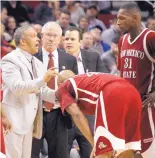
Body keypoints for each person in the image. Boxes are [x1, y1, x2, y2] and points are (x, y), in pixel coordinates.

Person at [56, 70, 142, 158]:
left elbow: (77, 115)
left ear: (59, 83)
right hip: (133, 92)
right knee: (127, 148)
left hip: (112, 93)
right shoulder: (87, 80)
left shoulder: (62, 87)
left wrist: (94, 144)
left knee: (103, 152)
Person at [1, 25, 58, 158]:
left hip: (30, 121)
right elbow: (17, 87)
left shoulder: (37, 63)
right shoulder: (10, 59)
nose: (38, 39)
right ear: (23, 41)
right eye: (33, 36)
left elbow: (41, 90)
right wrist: (44, 79)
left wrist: (60, 95)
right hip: (12, 120)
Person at [31, 22, 78, 158]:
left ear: (60, 38)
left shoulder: (69, 59)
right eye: (48, 35)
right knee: (31, 154)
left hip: (60, 115)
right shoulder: (32, 57)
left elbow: (74, 88)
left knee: (60, 155)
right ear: (41, 36)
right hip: (36, 113)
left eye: (55, 36)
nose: (51, 39)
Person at [117, 2, 155, 158]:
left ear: (135, 18)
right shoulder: (122, 41)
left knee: (148, 152)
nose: (118, 22)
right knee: (131, 151)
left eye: (122, 18)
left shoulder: (151, 37)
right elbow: (122, 73)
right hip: (129, 106)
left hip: (147, 106)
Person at [64, 26, 109, 158]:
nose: (69, 42)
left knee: (90, 152)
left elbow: (105, 80)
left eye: (72, 39)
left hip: (88, 116)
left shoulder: (93, 57)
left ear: (80, 42)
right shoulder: (57, 58)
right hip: (65, 117)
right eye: (66, 39)